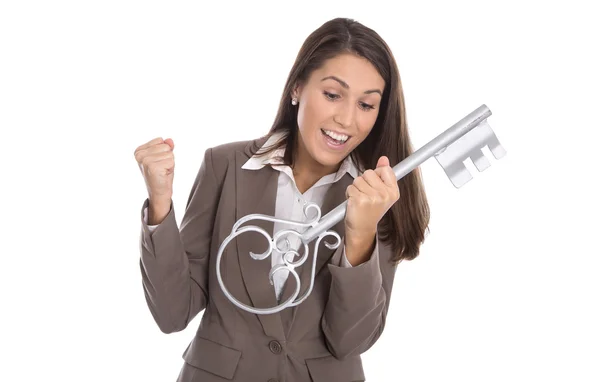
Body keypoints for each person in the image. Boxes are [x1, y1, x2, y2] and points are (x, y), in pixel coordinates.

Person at [134, 17, 430, 382]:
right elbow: (171, 312)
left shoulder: (378, 194)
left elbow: (350, 341)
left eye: (366, 105)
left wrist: (361, 236)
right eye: (333, 95)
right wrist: (160, 204)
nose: (347, 119)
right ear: (297, 88)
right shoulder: (224, 165)